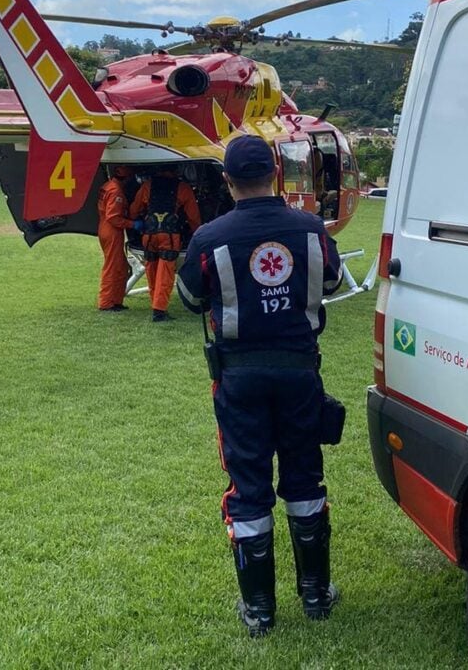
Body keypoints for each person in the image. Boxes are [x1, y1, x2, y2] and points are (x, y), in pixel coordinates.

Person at [177, 135, 342, 637]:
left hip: (239, 377)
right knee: (304, 477)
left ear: (226, 181)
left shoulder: (210, 237)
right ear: (275, 172)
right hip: (299, 372)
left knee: (248, 486)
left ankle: (260, 612)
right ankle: (315, 596)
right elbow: (332, 283)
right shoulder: (311, 229)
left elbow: (187, 296)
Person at [128, 165, 201, 322]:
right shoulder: (183, 188)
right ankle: (159, 310)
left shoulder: (147, 186)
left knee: (151, 267)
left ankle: (155, 302)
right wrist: (198, 233)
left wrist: (136, 222)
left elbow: (134, 210)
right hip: (169, 235)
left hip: (149, 234)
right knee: (165, 272)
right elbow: (193, 217)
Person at [97, 165, 142, 312]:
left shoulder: (108, 185)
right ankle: (106, 303)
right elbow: (113, 217)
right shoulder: (116, 190)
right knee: (112, 267)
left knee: (121, 267)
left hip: (105, 228)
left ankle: (116, 300)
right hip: (112, 231)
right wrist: (132, 224)